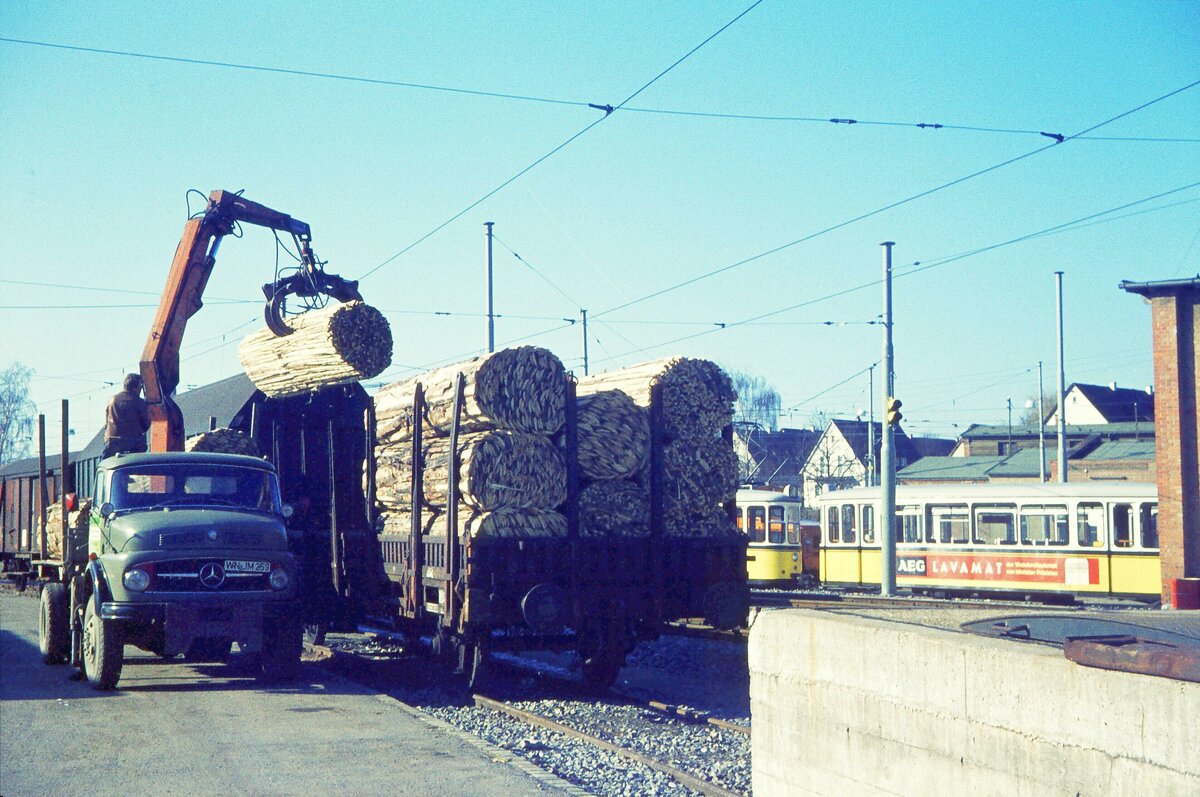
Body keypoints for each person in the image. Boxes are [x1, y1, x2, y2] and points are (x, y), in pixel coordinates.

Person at [102, 373, 151, 458]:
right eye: (140, 386)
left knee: (105, 462)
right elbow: (146, 425)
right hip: (134, 442)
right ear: (135, 387)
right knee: (139, 459)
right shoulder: (139, 402)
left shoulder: (111, 400)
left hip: (112, 441)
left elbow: (106, 424)